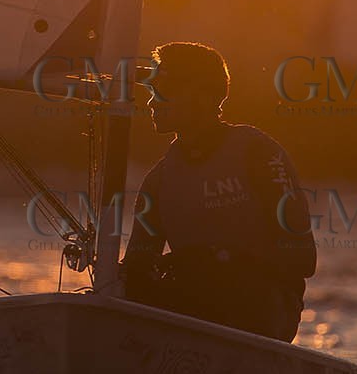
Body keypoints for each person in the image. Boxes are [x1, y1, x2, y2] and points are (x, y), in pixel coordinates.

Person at [120, 42, 316, 342]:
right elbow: (138, 267)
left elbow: (303, 259)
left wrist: (215, 261)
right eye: (151, 92)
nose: (152, 103)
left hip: (263, 313)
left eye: (163, 91)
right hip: (196, 309)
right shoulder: (157, 182)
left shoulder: (258, 153)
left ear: (203, 96)